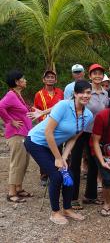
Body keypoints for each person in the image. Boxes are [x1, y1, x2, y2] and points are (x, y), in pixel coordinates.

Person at [24, 80, 93, 225]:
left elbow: (73, 138)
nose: (85, 95)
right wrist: (57, 158)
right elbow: (48, 132)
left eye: (88, 92)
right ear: (75, 93)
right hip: (36, 142)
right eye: (82, 92)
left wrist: (64, 156)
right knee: (56, 175)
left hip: (53, 146)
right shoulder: (63, 106)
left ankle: (67, 208)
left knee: (69, 174)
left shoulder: (88, 115)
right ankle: (55, 212)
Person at [69, 64, 109, 210]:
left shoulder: (106, 94)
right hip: (80, 131)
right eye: (95, 73)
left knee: (94, 163)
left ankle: (90, 196)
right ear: (90, 75)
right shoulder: (85, 91)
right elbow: (72, 106)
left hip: (96, 133)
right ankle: (72, 197)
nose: (97, 76)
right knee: (75, 163)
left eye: (100, 74)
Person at [0, 70, 33, 203]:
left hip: (23, 133)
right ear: (16, 82)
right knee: (17, 162)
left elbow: (20, 111)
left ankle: (19, 188)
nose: (25, 80)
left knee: (24, 162)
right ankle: (11, 192)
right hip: (15, 134)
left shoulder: (18, 95)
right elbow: (0, 106)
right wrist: (10, 121)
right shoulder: (11, 95)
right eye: (23, 78)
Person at [32, 70, 64, 186]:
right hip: (45, 127)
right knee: (44, 150)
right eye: (48, 77)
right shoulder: (39, 94)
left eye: (52, 77)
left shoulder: (60, 92)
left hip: (59, 127)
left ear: (55, 80)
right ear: (43, 80)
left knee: (57, 149)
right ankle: (44, 175)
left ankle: (56, 172)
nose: (50, 79)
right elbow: (36, 111)